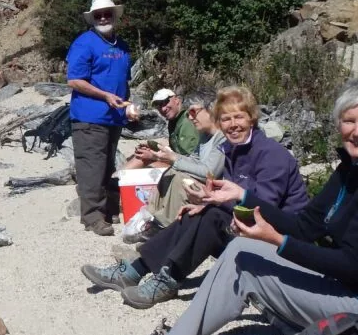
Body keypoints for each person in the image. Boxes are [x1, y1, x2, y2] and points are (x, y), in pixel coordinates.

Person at [113, 75, 358, 335]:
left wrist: (276, 239)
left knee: (245, 265)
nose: (357, 132)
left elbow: (352, 265)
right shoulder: (351, 169)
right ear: (339, 125)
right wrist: (242, 195)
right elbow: (305, 225)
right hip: (346, 286)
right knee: (240, 246)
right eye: (349, 121)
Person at [81, 85, 308, 304]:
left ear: (252, 118)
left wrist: (216, 204)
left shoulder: (271, 155)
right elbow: (230, 194)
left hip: (279, 240)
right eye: (226, 119)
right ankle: (134, 271)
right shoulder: (233, 150)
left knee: (210, 217)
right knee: (192, 213)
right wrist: (205, 202)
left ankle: (168, 279)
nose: (232, 125)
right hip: (250, 229)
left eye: (239, 117)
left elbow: (263, 208)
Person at [67, 0, 135, 235]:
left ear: (114, 15)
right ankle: (92, 217)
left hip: (114, 117)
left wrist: (127, 105)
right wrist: (106, 96)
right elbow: (74, 80)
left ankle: (107, 210)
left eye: (107, 13)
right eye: (98, 15)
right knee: (91, 168)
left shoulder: (122, 45)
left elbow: (123, 81)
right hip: (89, 117)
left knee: (108, 166)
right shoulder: (84, 43)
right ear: (93, 18)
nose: (103, 18)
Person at [134, 91, 226, 236]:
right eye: (188, 113)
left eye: (193, 112)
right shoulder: (204, 136)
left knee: (179, 179)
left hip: (216, 190)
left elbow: (210, 173)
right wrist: (169, 157)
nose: (190, 117)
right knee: (169, 173)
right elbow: (193, 159)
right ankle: (152, 218)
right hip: (203, 182)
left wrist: (174, 160)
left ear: (210, 110)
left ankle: (167, 229)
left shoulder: (222, 137)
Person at [122, 89, 199, 172]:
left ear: (177, 100)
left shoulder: (187, 121)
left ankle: (116, 179)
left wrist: (154, 156)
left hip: (188, 170)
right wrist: (153, 147)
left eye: (165, 102)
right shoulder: (175, 120)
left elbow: (188, 159)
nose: (163, 108)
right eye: (158, 106)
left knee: (145, 163)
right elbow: (177, 150)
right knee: (141, 156)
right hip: (180, 163)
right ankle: (118, 178)